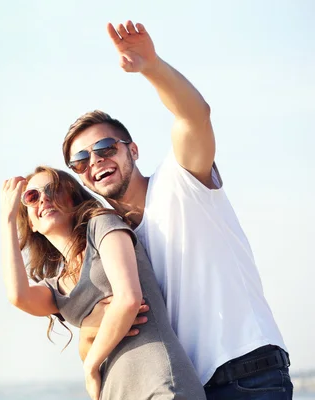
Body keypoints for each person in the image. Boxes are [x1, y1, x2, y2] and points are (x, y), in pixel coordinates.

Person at [61, 20, 292, 399]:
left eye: (105, 148)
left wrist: (151, 66)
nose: (95, 161)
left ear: (131, 150)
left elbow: (195, 116)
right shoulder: (119, 241)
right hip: (188, 386)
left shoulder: (181, 178)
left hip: (248, 372)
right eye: (81, 160)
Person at [0, 166, 206, 400]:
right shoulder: (57, 289)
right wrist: (7, 220)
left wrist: (90, 365)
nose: (45, 199)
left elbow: (128, 299)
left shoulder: (102, 225)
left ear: (73, 198)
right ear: (32, 225)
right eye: (32, 197)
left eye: (53, 189)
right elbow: (18, 296)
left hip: (160, 385)